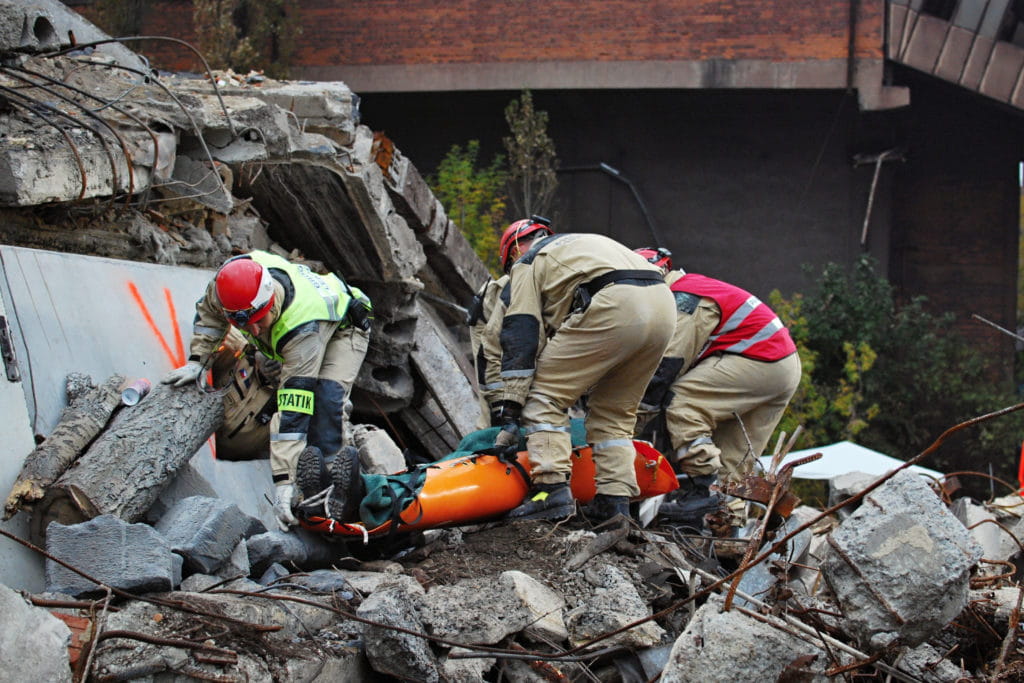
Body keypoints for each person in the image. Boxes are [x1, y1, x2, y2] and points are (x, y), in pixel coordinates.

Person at [162, 250, 372, 531]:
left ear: (270, 298)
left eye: (260, 319)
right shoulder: (226, 288)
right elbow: (211, 318)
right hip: (287, 330)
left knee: (325, 403)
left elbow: (294, 405)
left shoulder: (303, 326)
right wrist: (198, 362)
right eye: (246, 324)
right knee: (265, 364)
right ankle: (306, 475)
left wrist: (283, 481)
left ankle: (340, 490)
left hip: (344, 327)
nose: (255, 331)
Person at [487, 220, 676, 522]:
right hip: (664, 306)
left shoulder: (528, 261)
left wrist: (510, 403)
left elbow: (521, 329)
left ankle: (549, 493)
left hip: (615, 302)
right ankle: (615, 503)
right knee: (615, 415)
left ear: (512, 252)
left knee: (544, 398)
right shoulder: (586, 243)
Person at [633, 248, 801, 524]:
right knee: (734, 461)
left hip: (759, 359)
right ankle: (725, 533)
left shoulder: (682, 297)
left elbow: (668, 365)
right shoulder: (695, 288)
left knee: (683, 403)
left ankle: (701, 493)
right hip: (780, 366)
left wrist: (634, 422)